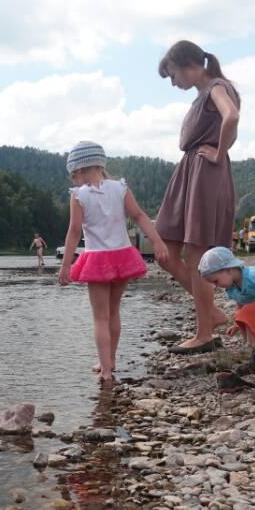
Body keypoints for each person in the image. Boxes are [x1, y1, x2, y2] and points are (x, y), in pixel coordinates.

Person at [154, 40, 241, 356]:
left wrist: (218, 153)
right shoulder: (204, 93)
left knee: (196, 254)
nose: (173, 83)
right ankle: (212, 314)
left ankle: (204, 334)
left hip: (205, 172)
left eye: (173, 75)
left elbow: (231, 117)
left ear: (187, 65)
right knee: (165, 253)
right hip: (190, 172)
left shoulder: (216, 86)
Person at [58, 141, 170, 386]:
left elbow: (74, 231)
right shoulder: (120, 188)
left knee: (100, 318)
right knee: (113, 312)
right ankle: (110, 360)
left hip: (97, 259)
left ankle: (106, 370)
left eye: (74, 175)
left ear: (79, 170)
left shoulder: (79, 195)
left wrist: (66, 265)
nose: (75, 180)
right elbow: (139, 215)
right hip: (122, 256)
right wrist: (157, 241)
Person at [198, 246, 255, 373]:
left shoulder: (252, 276)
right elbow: (240, 303)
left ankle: (252, 346)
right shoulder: (232, 287)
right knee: (241, 315)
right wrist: (237, 323)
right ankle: (248, 346)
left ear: (228, 270)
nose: (216, 286)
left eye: (216, 281)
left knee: (247, 313)